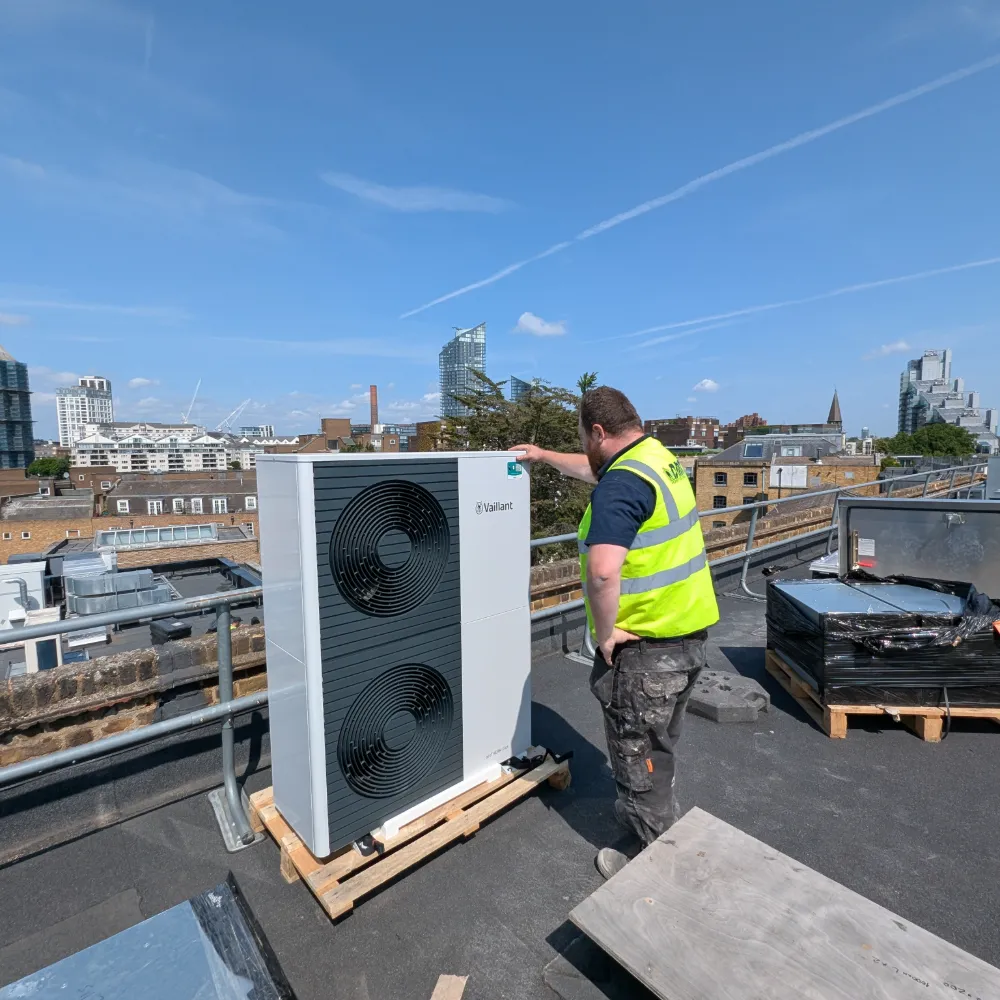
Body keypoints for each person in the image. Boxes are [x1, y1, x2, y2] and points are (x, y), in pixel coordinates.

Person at [513, 386, 719, 879]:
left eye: (584, 437)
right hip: (685, 638)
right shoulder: (656, 459)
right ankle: (649, 819)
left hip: (645, 651)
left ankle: (651, 866)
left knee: (637, 753)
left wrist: (605, 636)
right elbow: (595, 469)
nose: (584, 448)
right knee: (659, 746)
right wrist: (543, 457)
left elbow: (604, 572)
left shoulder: (621, 485)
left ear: (599, 432)